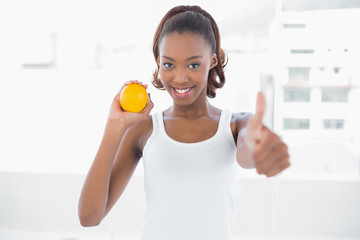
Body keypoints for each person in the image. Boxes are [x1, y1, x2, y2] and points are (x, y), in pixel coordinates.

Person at [78, 5, 290, 240]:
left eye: (193, 64)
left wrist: (258, 149)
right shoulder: (144, 130)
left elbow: (246, 154)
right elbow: (89, 217)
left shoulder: (236, 124)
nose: (180, 78)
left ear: (212, 61)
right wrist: (114, 126)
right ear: (159, 63)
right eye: (169, 64)